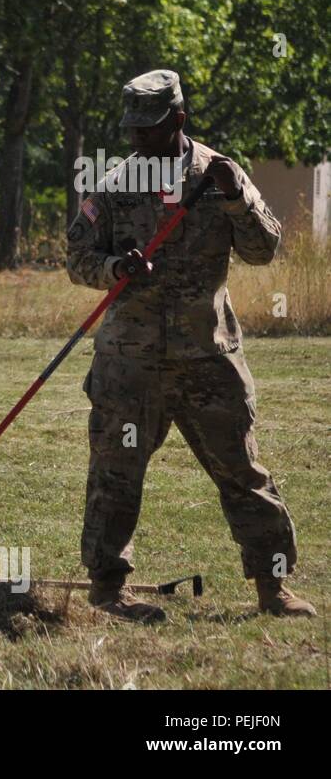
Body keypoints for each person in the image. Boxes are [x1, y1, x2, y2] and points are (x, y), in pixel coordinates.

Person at [66, 69, 315, 623]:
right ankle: (109, 590)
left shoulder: (220, 174)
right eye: (130, 128)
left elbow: (264, 249)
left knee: (242, 472)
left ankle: (273, 586)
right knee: (115, 472)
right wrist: (114, 267)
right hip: (130, 365)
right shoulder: (112, 184)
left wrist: (233, 200)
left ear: (177, 120)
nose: (136, 139)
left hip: (209, 359)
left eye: (148, 128)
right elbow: (78, 259)